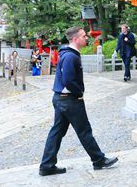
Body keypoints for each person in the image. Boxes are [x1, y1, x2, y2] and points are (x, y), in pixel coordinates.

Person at [39, 26, 118, 176]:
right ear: (75, 39)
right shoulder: (71, 57)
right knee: (84, 130)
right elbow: (69, 80)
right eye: (83, 36)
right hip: (69, 100)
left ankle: (47, 165)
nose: (86, 38)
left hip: (61, 99)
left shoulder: (68, 54)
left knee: (57, 132)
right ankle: (98, 159)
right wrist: (79, 93)